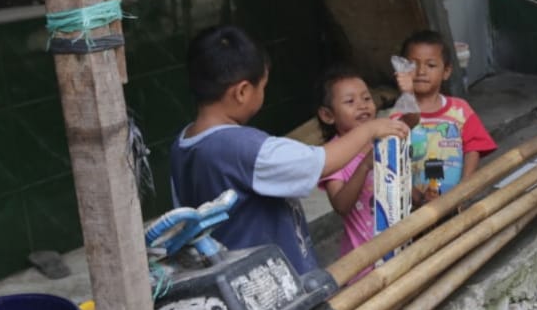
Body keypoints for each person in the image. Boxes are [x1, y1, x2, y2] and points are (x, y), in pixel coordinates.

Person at [170, 25, 408, 274]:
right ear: (242, 92)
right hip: (268, 284)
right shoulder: (246, 148)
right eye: (262, 87)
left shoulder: (182, 144)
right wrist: (371, 130)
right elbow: (321, 163)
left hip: (226, 279)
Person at [394, 30, 496, 203]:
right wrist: (416, 197)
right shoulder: (398, 115)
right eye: (412, 65)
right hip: (413, 209)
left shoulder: (460, 110)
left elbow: (474, 148)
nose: (421, 71)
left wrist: (464, 187)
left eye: (431, 65)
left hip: (456, 202)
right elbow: (393, 163)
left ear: (446, 71)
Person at [316, 66, 381, 258]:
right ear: (328, 115)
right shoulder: (333, 155)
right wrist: (365, 166)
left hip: (400, 244)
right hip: (365, 258)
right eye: (350, 101)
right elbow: (341, 206)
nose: (362, 105)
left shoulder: (381, 141)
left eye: (366, 98)